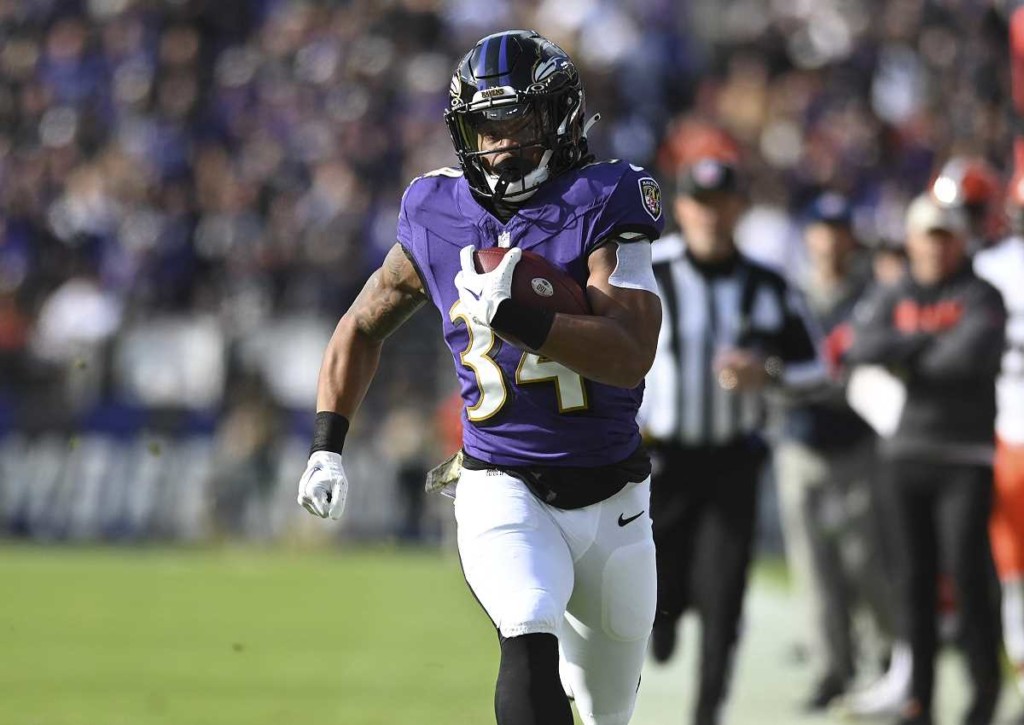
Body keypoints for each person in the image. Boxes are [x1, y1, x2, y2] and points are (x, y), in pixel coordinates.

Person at [295, 30, 665, 725]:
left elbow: (631, 349)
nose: (496, 145)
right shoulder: (437, 212)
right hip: (500, 481)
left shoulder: (607, 197)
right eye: (482, 128)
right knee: (524, 629)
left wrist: (529, 317)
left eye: (514, 123)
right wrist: (326, 441)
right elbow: (361, 323)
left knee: (608, 710)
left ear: (557, 119)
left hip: (614, 496)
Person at [640, 156, 825, 725]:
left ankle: (707, 712)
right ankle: (664, 618)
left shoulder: (767, 285)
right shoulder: (648, 271)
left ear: (740, 209)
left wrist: (766, 373)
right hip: (662, 459)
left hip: (732, 461)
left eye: (721, 204)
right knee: (656, 588)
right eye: (699, 202)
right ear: (682, 207)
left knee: (724, 597)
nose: (710, 216)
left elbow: (815, 367)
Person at [845, 194, 1006, 725]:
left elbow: (968, 357)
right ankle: (921, 698)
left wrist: (904, 350)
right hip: (904, 453)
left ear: (959, 240)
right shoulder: (895, 292)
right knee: (911, 580)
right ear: (911, 241)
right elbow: (859, 346)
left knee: (966, 573)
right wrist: (925, 343)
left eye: (944, 237)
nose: (934, 248)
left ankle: (985, 689)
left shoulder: (981, 294)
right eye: (926, 236)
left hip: (965, 455)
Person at [773, 192, 897, 712]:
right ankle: (832, 667)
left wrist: (814, 381)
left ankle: (889, 657)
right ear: (809, 237)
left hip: (856, 441)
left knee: (867, 559)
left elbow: (868, 367)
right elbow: (776, 367)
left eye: (838, 230)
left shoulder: (872, 296)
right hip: (800, 443)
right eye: (821, 231)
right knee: (815, 565)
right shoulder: (788, 295)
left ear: (851, 238)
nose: (829, 241)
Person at [974, 183, 1024, 718]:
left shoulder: (988, 267)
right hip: (1005, 434)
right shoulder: (988, 268)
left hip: (1006, 433)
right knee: (1011, 574)